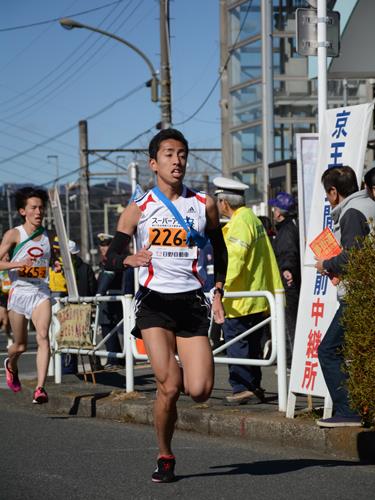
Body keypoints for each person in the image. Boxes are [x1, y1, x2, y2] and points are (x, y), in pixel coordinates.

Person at [104, 128, 227, 483]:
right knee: (170, 386)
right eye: (170, 154)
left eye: (183, 154)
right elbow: (111, 256)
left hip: (191, 303)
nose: (178, 160)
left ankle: (170, 412)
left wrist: (217, 291)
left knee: (201, 391)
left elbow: (220, 251)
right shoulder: (138, 208)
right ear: (153, 163)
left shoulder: (204, 204)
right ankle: (165, 453)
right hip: (154, 304)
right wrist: (128, 260)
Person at [315, 166, 375, 427]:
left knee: (328, 350)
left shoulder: (352, 213)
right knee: (364, 354)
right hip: (369, 292)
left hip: (360, 295)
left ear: (333, 191)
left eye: (327, 193)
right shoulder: (370, 206)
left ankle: (348, 409)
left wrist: (326, 264)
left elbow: (353, 255)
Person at [213, 176, 282, 406]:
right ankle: (254, 387)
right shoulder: (252, 219)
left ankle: (242, 388)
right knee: (251, 344)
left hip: (240, 297)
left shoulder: (239, 223)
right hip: (256, 295)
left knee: (238, 343)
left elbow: (235, 259)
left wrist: (220, 289)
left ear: (224, 203)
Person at [0, 187, 52, 404]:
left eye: (41, 207)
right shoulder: (14, 234)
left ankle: (40, 389)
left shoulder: (47, 234)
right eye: (33, 208)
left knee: (43, 336)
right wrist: (18, 263)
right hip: (19, 291)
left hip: (40, 291)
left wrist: (56, 263)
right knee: (20, 345)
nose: (38, 212)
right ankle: (11, 365)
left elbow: (48, 259)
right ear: (23, 211)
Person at [268, 192, 301, 367]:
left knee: (291, 323)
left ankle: (294, 363)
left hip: (287, 284)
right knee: (289, 322)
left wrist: (287, 269)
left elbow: (289, 253)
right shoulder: (289, 227)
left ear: (279, 212)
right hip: (287, 282)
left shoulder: (286, 230)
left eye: (275, 208)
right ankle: (290, 360)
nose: (273, 211)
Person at [97, 233, 133, 369]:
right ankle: (114, 358)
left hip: (118, 298)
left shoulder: (117, 259)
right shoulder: (104, 261)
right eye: (102, 245)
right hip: (108, 300)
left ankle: (118, 359)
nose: (104, 248)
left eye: (107, 245)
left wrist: (99, 293)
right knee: (107, 328)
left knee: (119, 329)